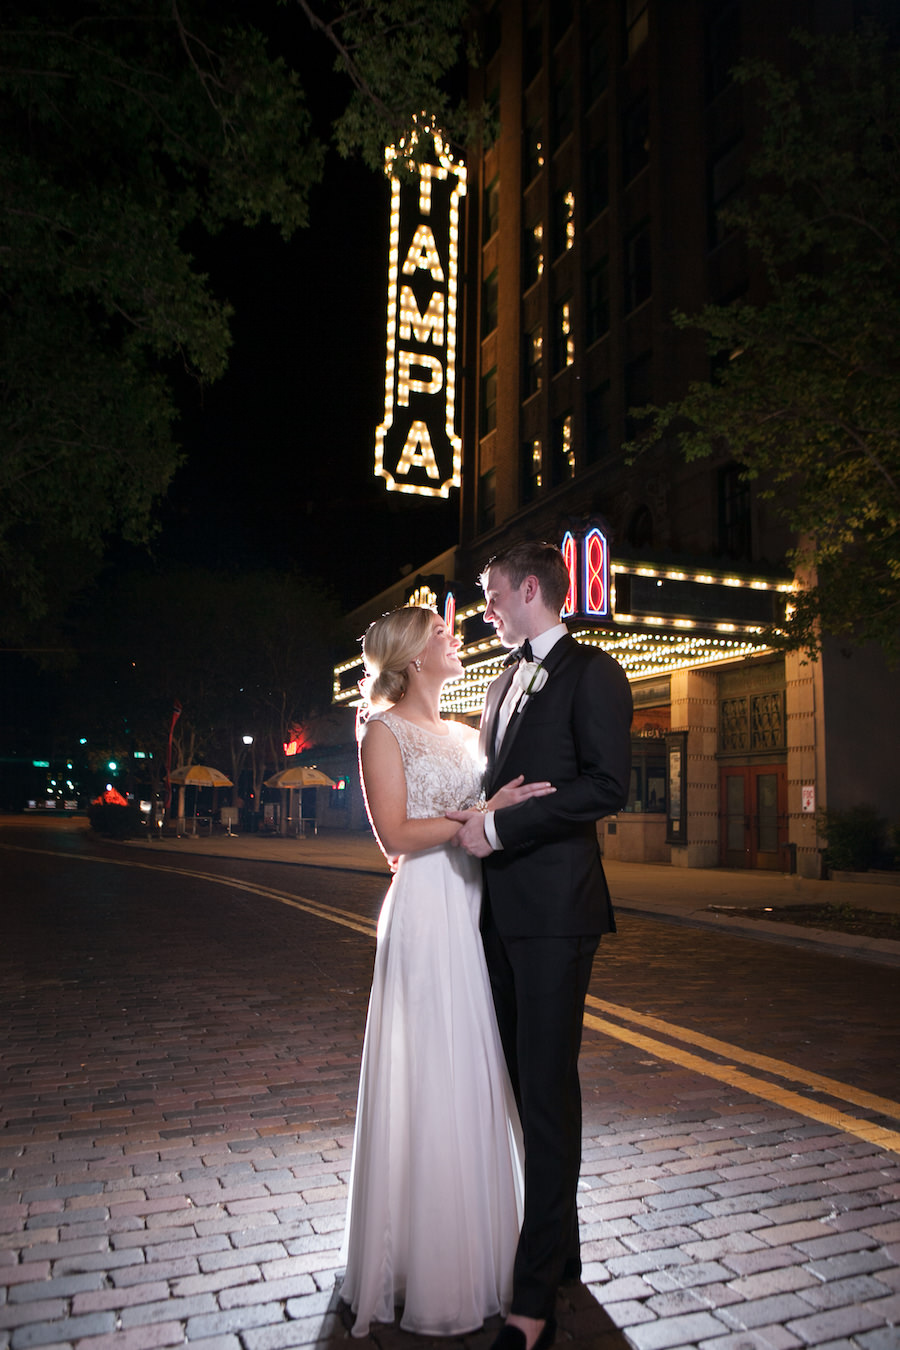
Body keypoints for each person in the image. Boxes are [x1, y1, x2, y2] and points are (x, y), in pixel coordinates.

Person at [339, 604, 556, 1339]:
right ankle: (425, 1265)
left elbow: (492, 816)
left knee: (474, 1072)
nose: (454, 638)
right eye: (441, 633)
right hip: (427, 910)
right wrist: (481, 815)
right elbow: (395, 835)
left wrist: (496, 812)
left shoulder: (468, 734)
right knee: (431, 1073)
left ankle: (481, 1253)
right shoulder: (382, 730)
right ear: (410, 656)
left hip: (476, 907)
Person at [448, 541, 633, 1350]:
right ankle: (565, 1253)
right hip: (497, 913)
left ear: (531, 589)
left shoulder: (595, 672)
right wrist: (467, 812)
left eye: (492, 593)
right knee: (533, 1092)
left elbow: (605, 786)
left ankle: (532, 1306)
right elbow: (501, 785)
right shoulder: (497, 680)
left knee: (548, 1096)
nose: (486, 606)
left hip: (558, 913)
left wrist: (501, 825)